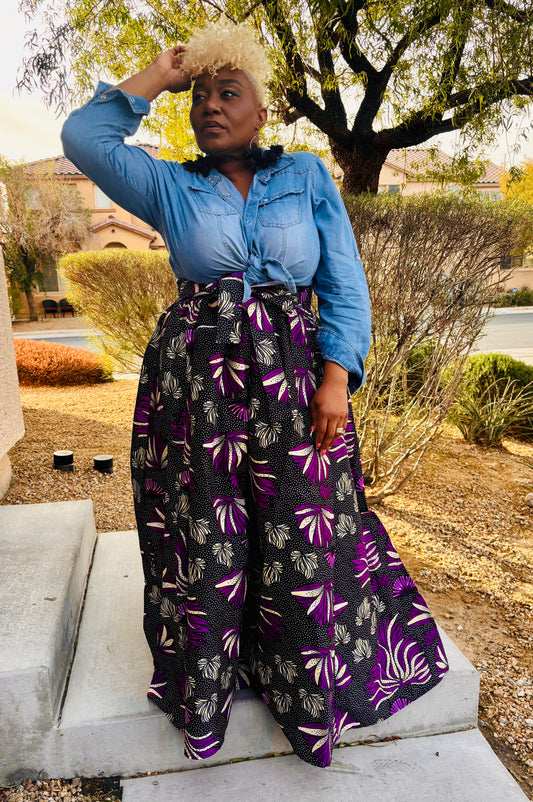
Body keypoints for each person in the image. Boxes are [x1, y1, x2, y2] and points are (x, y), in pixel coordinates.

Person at [61, 21, 449, 769]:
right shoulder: (170, 184)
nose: (209, 105)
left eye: (226, 91)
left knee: (299, 531)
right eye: (199, 95)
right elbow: (85, 137)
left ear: (261, 108)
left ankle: (302, 690)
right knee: (207, 529)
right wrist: (157, 75)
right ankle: (207, 687)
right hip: (197, 384)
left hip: (296, 379)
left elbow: (342, 281)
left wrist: (337, 375)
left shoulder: (304, 174)